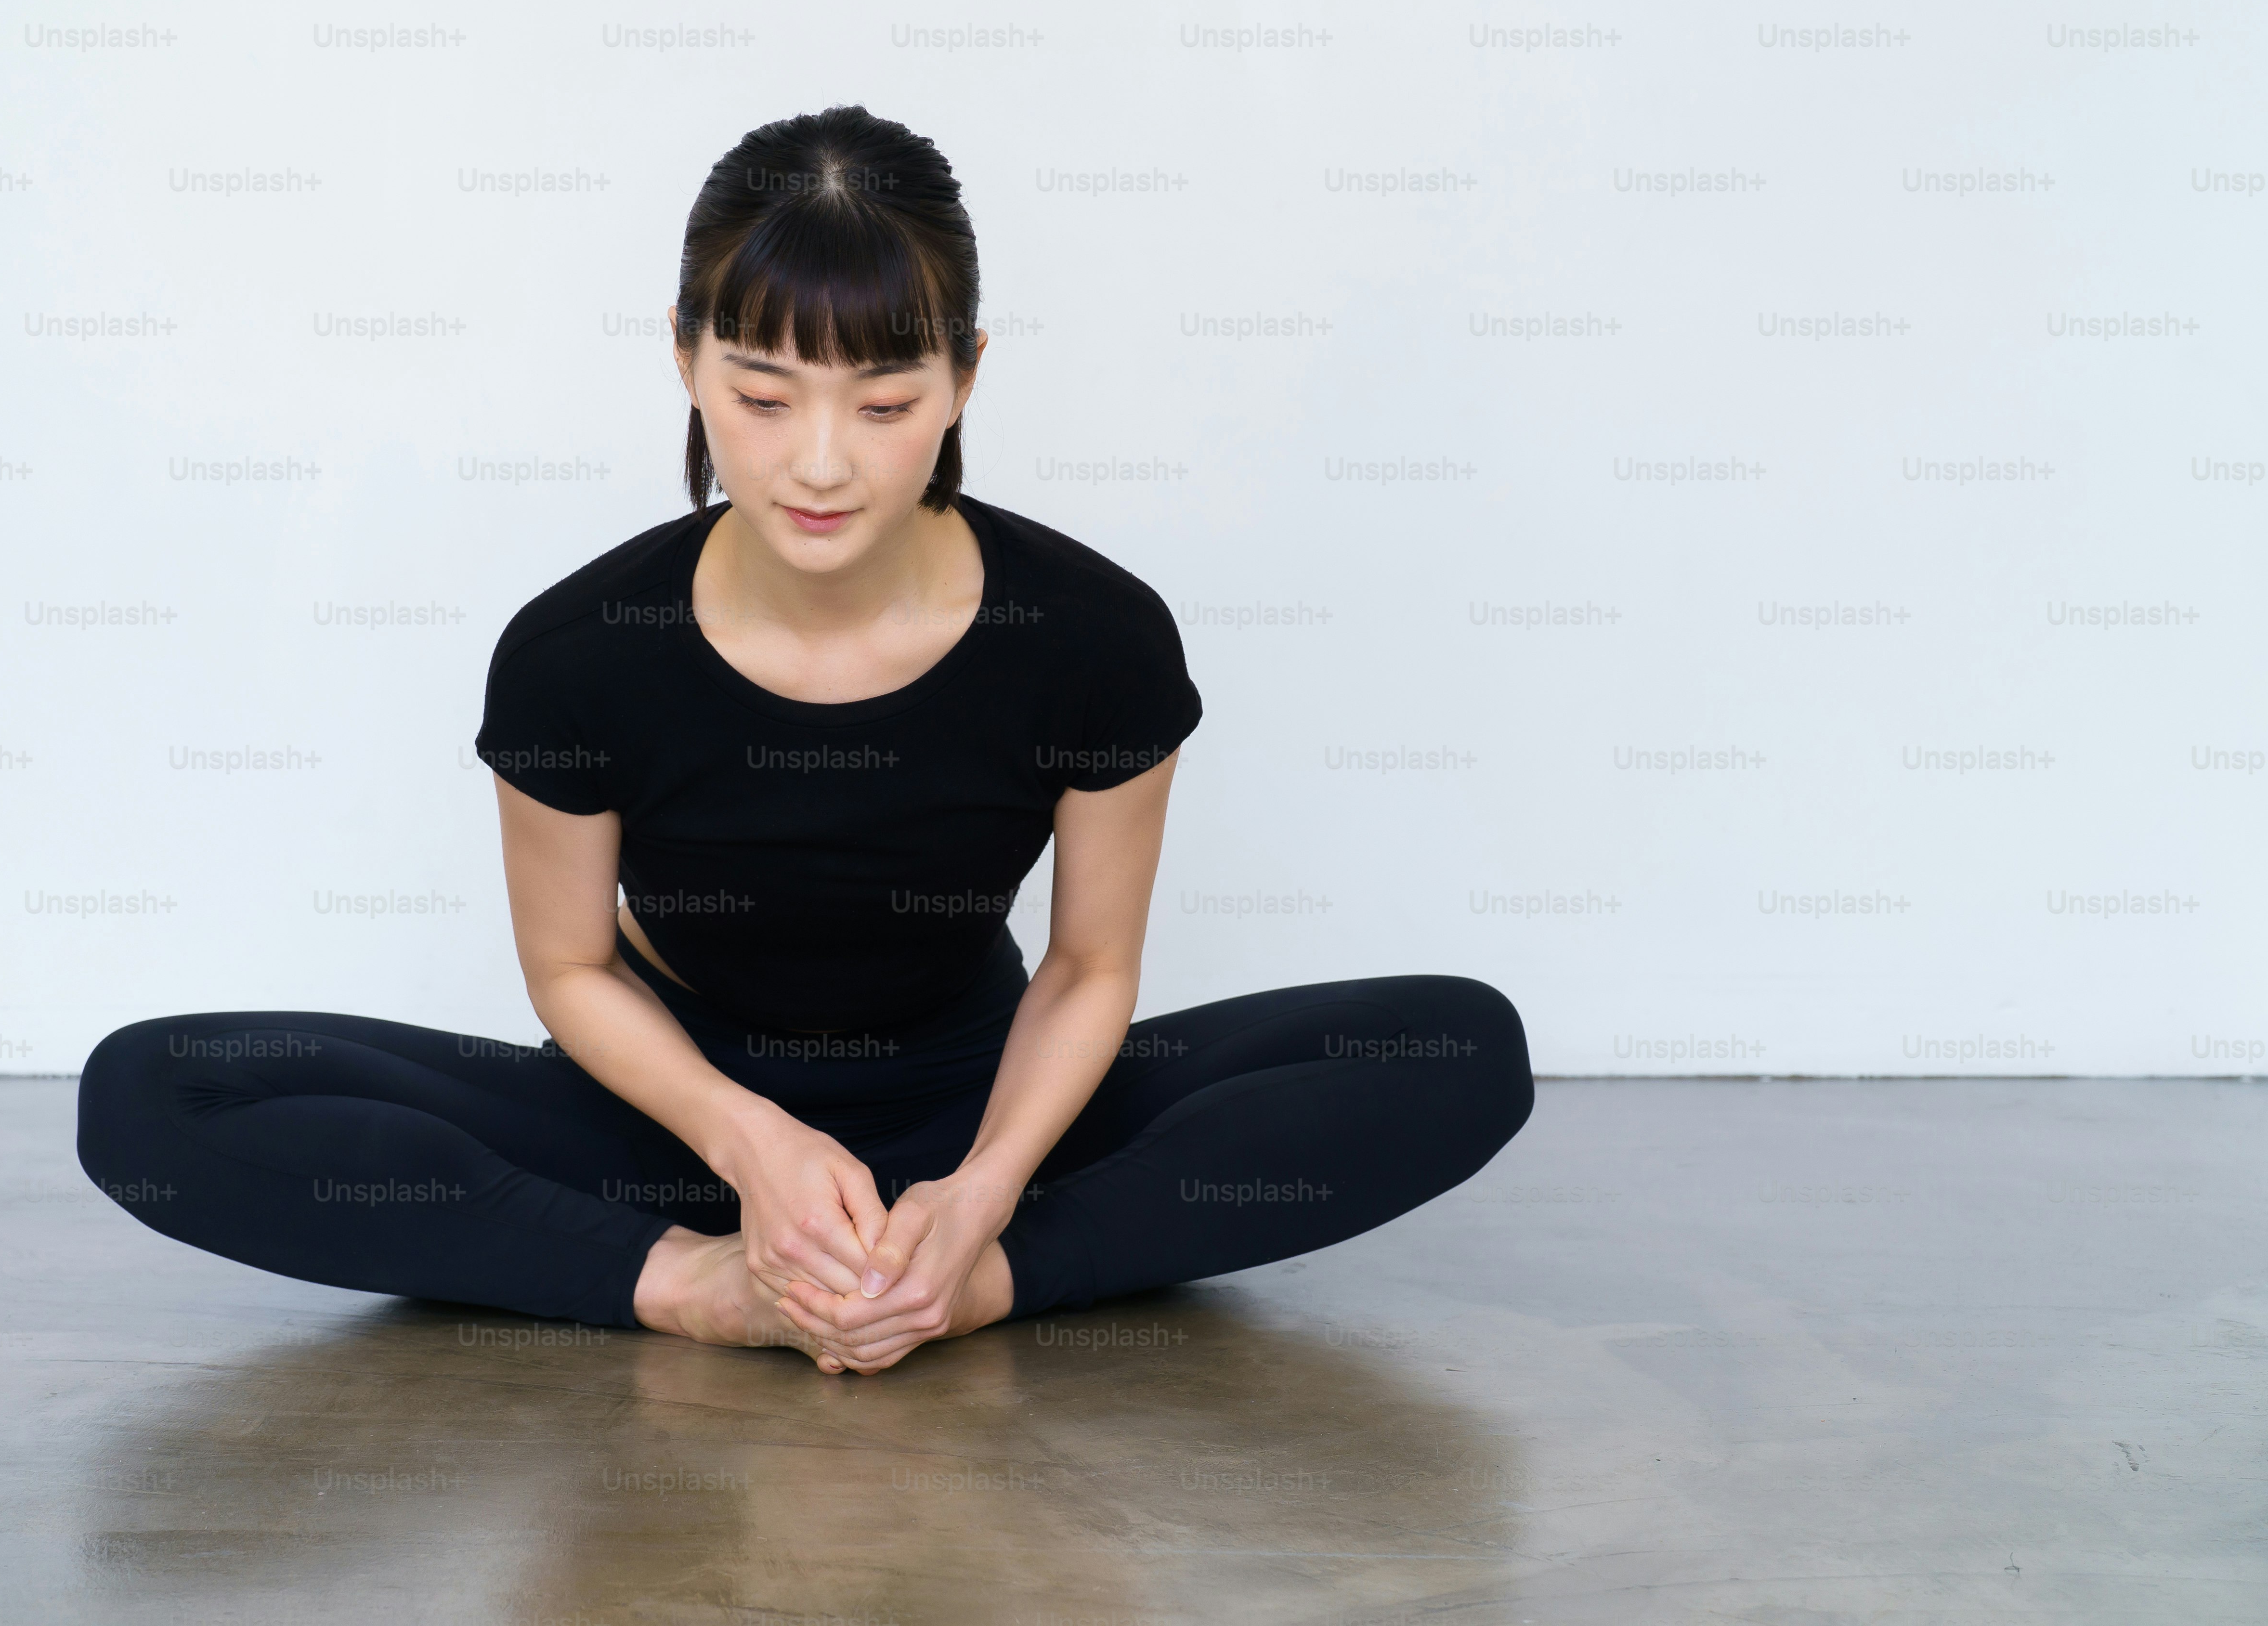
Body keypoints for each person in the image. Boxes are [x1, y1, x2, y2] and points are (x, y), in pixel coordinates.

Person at [78, 104, 1533, 1374]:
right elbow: (572, 969)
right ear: (686, 360)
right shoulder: (578, 652)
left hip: (978, 1105)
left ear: (965, 377)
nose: (820, 463)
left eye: (887, 403)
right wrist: (746, 1153)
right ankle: (697, 1291)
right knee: (153, 1089)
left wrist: (984, 1201)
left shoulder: (1093, 634)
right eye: (764, 398)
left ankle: (975, 1288)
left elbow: (1091, 967)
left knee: (1459, 1045)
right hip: (668, 1135)